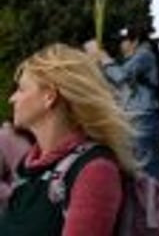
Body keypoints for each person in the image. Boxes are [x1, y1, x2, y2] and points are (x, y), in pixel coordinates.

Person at [0, 44, 135, 234]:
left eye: (21, 89)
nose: (12, 98)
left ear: (49, 96)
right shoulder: (28, 169)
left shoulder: (95, 170)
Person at [95, 23, 159, 181]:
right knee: (139, 169)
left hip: (142, 117)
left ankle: (154, 204)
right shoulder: (135, 58)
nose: (121, 45)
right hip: (136, 118)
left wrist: (104, 58)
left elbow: (121, 77)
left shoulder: (144, 55)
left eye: (123, 41)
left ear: (134, 41)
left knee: (146, 170)